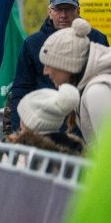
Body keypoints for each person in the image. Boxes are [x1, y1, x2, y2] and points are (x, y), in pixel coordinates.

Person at [9, 0, 109, 130]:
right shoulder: (32, 43)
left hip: (87, 124)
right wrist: (18, 131)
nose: (63, 15)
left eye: (68, 9)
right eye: (58, 9)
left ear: (78, 11)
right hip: (48, 127)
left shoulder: (97, 39)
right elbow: (21, 88)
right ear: (50, 12)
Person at [40, 17, 111, 145]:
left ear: (67, 64)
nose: (45, 71)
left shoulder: (97, 92)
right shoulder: (86, 86)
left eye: (49, 64)